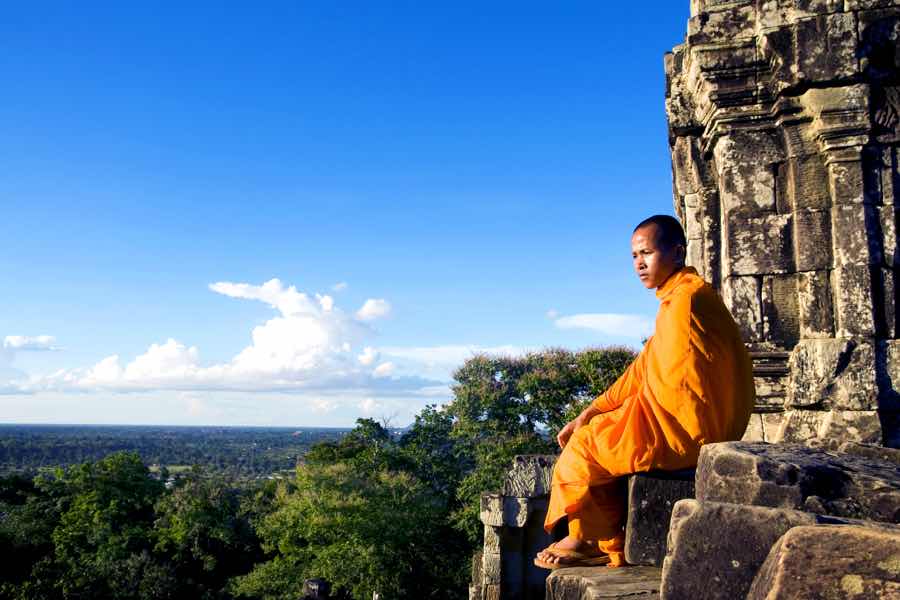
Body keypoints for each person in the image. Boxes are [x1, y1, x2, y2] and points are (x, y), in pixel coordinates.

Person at [534, 215, 755, 569]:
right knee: (594, 431)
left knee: (584, 447)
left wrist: (606, 418)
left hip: (691, 429)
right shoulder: (680, 298)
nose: (639, 263)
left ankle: (587, 541)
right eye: (634, 256)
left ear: (677, 252)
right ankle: (603, 537)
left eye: (647, 253)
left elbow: (673, 383)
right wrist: (591, 411)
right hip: (694, 421)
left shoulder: (688, 300)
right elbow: (645, 369)